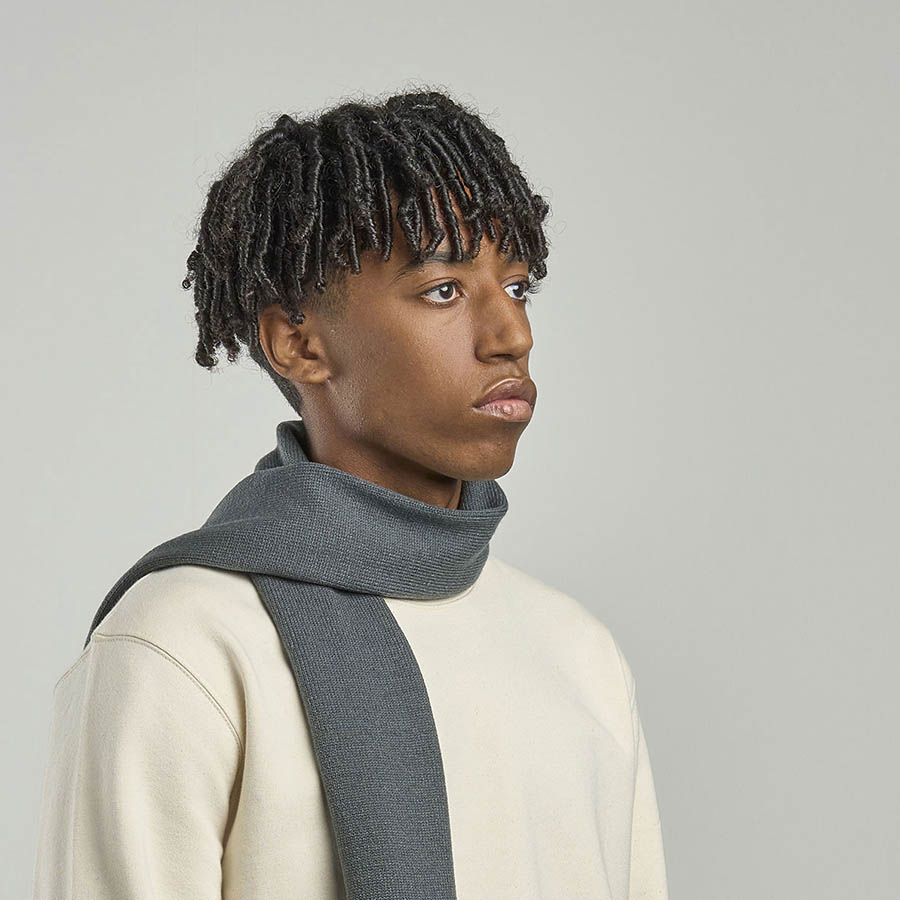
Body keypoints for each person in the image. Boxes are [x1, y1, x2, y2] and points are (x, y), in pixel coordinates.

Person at [31, 88, 669, 899]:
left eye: (517, 287)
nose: (512, 334)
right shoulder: (184, 644)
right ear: (299, 344)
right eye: (443, 290)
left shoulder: (578, 652)